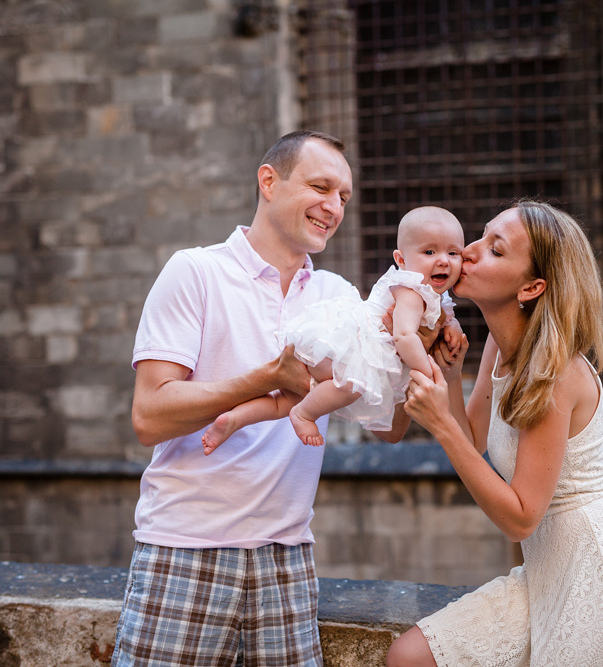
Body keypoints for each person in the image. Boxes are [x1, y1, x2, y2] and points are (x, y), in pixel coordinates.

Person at [113, 131, 417, 666]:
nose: (334, 206)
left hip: (287, 558)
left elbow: (388, 427)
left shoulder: (339, 297)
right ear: (269, 181)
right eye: (320, 187)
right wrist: (267, 378)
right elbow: (148, 417)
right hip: (185, 550)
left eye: (344, 196)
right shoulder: (195, 271)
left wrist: (425, 357)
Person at [387, 200, 603, 666]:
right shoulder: (498, 345)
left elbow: (521, 519)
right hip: (543, 569)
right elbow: (475, 440)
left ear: (531, 287)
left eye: (495, 250)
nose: (468, 251)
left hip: (593, 571)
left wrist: (441, 425)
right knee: (409, 656)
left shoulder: (556, 373)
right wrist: (452, 375)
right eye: (481, 236)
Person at [199, 205, 465, 453]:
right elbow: (404, 336)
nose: (444, 261)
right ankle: (303, 416)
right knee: (349, 383)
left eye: (453, 253)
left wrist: (451, 325)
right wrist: (429, 373)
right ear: (401, 259)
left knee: (289, 399)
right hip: (353, 350)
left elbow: (439, 315)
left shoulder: (433, 296)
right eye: (429, 252)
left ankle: (234, 419)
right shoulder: (411, 291)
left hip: (347, 347)